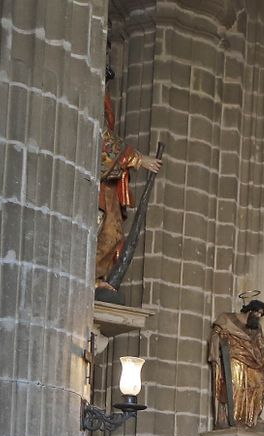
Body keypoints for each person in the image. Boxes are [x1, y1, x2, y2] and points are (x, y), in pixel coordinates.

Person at [96, 67, 163, 292]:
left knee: (113, 233)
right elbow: (101, 139)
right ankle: (91, 278)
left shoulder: (102, 100)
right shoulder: (91, 97)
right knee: (107, 231)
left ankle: (96, 277)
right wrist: (137, 158)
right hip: (97, 182)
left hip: (106, 182)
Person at [209, 297, 264, 430]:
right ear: (249, 311)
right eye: (257, 313)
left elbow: (262, 347)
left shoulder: (256, 328)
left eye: (261, 315)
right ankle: (234, 419)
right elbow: (215, 336)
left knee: (261, 385)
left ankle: (251, 419)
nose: (259, 317)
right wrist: (221, 338)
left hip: (253, 361)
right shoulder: (227, 319)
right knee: (236, 385)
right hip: (235, 357)